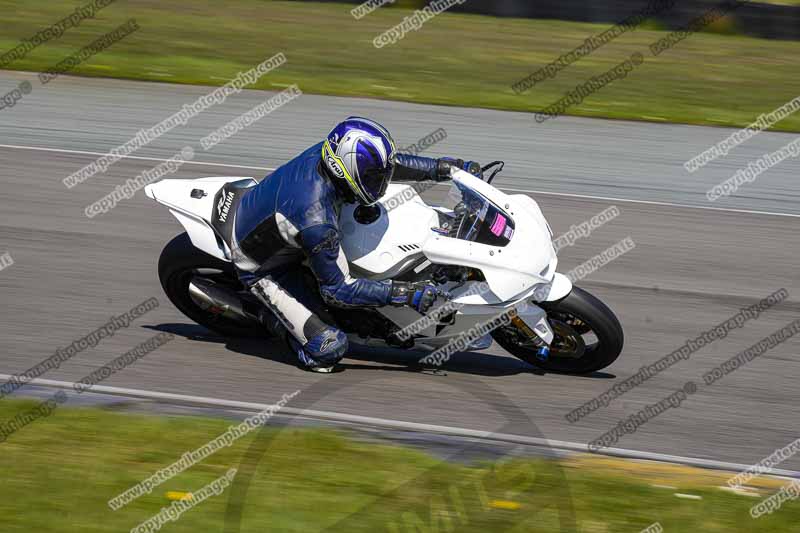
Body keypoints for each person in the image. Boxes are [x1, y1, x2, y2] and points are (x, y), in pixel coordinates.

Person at [231, 117, 482, 372]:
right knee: (329, 348)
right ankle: (264, 316)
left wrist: (447, 169)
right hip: (265, 269)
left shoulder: (335, 151)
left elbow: (390, 164)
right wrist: (406, 294)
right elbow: (338, 291)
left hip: (284, 224)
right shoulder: (317, 222)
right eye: (372, 178)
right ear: (343, 171)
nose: (380, 184)